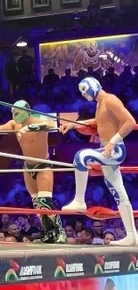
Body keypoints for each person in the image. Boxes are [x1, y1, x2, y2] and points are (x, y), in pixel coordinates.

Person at [60, 77, 137, 246]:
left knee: (81, 156)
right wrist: (73, 125)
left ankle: (79, 200)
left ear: (92, 86)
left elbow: (130, 122)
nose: (84, 95)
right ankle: (132, 236)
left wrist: (112, 142)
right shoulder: (100, 104)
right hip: (107, 148)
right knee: (119, 193)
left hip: (114, 149)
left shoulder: (110, 99)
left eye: (84, 91)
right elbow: (98, 122)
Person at [0, 100, 65, 243]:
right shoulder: (14, 124)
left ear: (27, 111)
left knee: (45, 201)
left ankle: (59, 232)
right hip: (28, 167)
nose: (15, 116)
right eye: (13, 113)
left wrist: (29, 128)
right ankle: (48, 233)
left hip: (43, 166)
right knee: (37, 204)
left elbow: (51, 125)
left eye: (17, 113)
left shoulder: (39, 120)